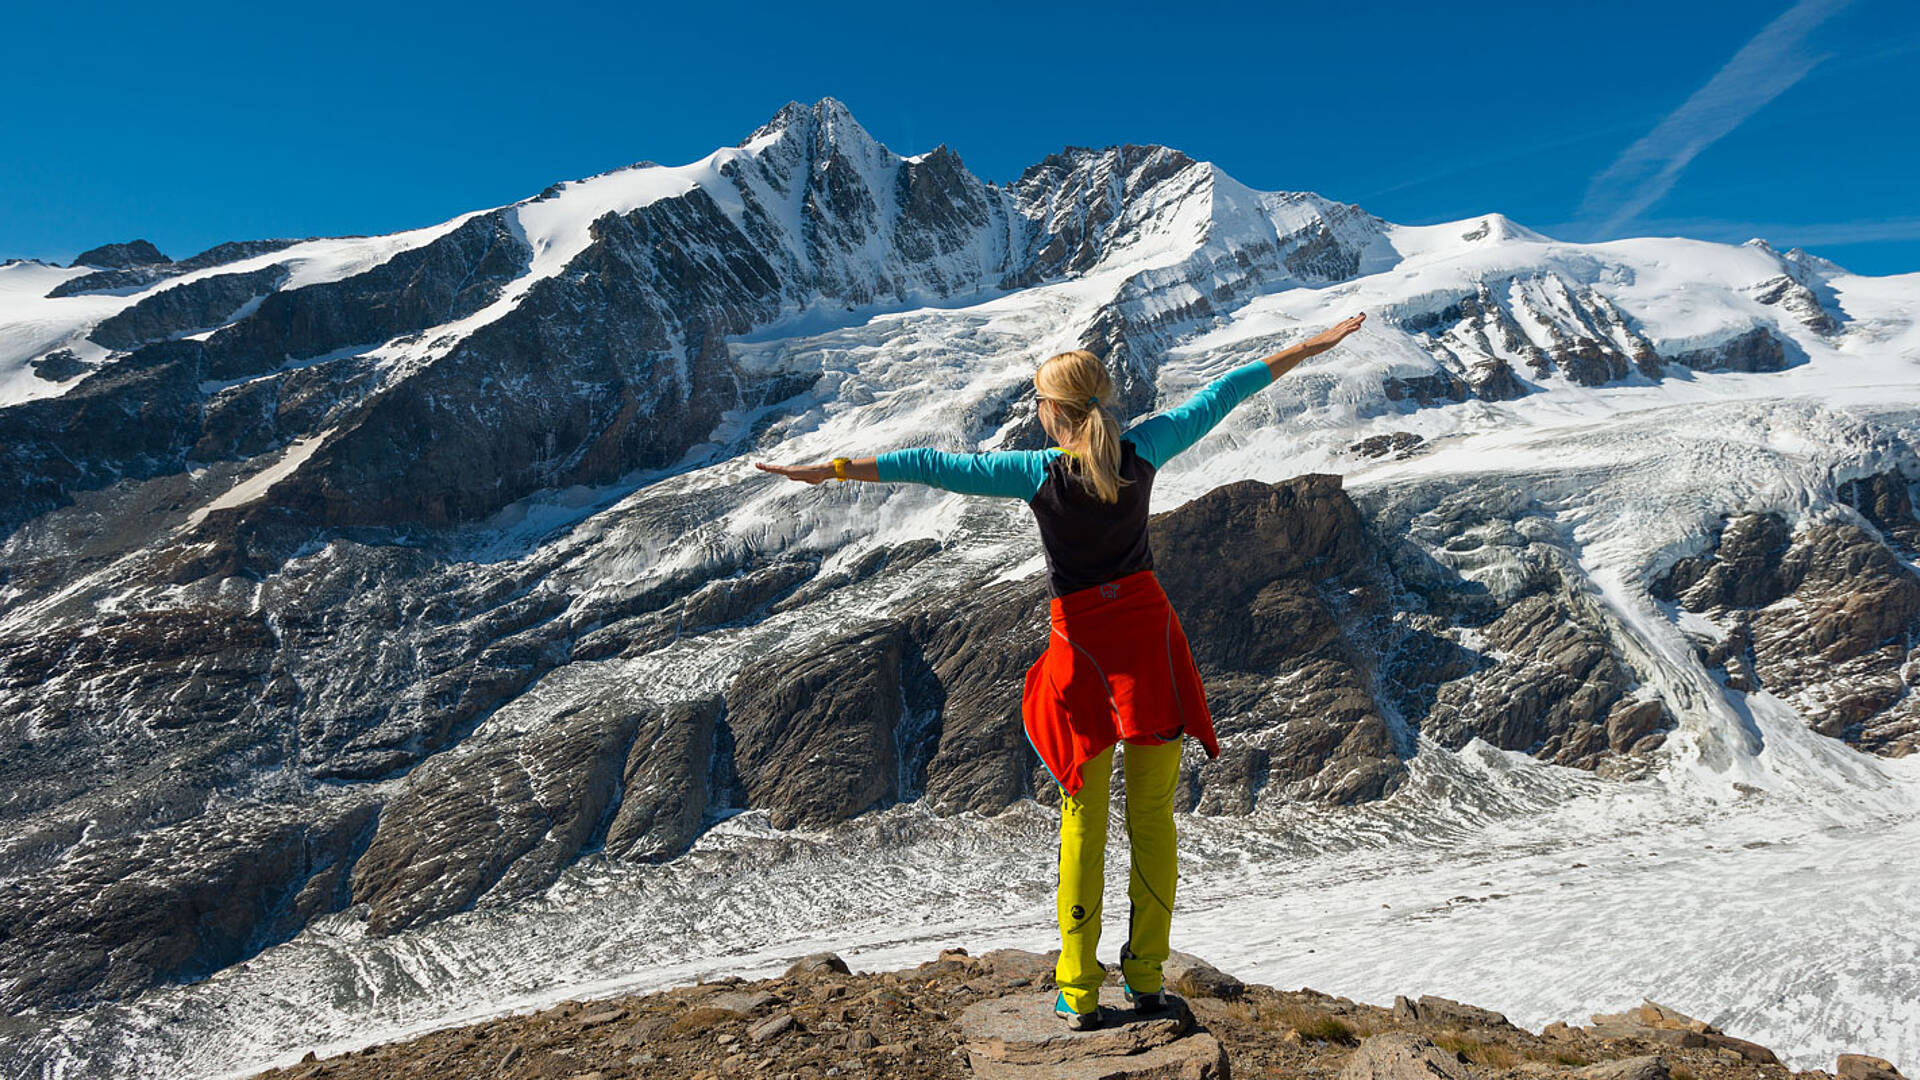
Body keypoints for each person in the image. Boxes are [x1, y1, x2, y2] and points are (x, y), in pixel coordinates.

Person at [755, 311, 1367, 1029]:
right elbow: (1224, 393)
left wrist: (824, 470)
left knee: (1083, 824)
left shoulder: (1035, 474)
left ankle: (1077, 990)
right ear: (1099, 404)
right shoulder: (1143, 450)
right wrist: (1308, 343)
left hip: (1083, 657)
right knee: (1153, 823)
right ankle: (1144, 978)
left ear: (1051, 413)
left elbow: (929, 464)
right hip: (1149, 649)